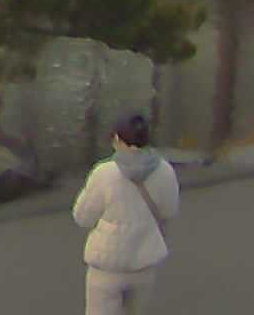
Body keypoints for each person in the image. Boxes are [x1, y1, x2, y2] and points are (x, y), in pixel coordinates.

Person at [70, 111, 180, 315]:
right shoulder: (165, 170)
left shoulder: (104, 173)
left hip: (107, 266)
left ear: (118, 139)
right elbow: (169, 211)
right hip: (144, 263)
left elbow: (82, 218)